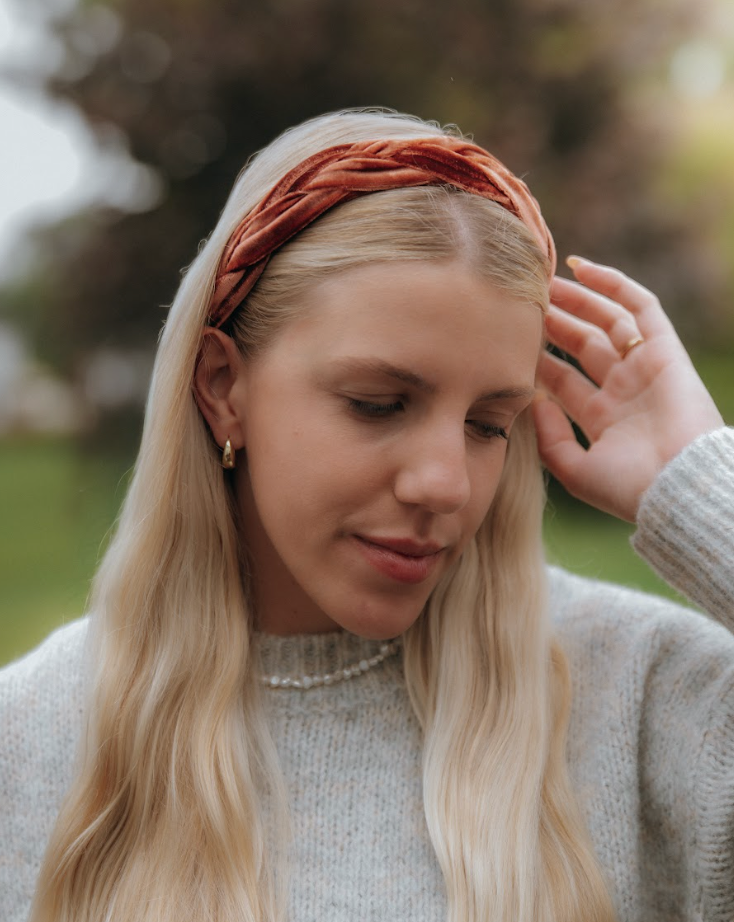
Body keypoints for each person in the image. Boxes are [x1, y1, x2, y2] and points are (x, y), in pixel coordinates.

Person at [1, 108, 732, 922]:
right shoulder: (30, 742)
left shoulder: (643, 696)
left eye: (489, 423)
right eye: (378, 403)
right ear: (220, 387)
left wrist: (701, 490)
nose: (446, 484)